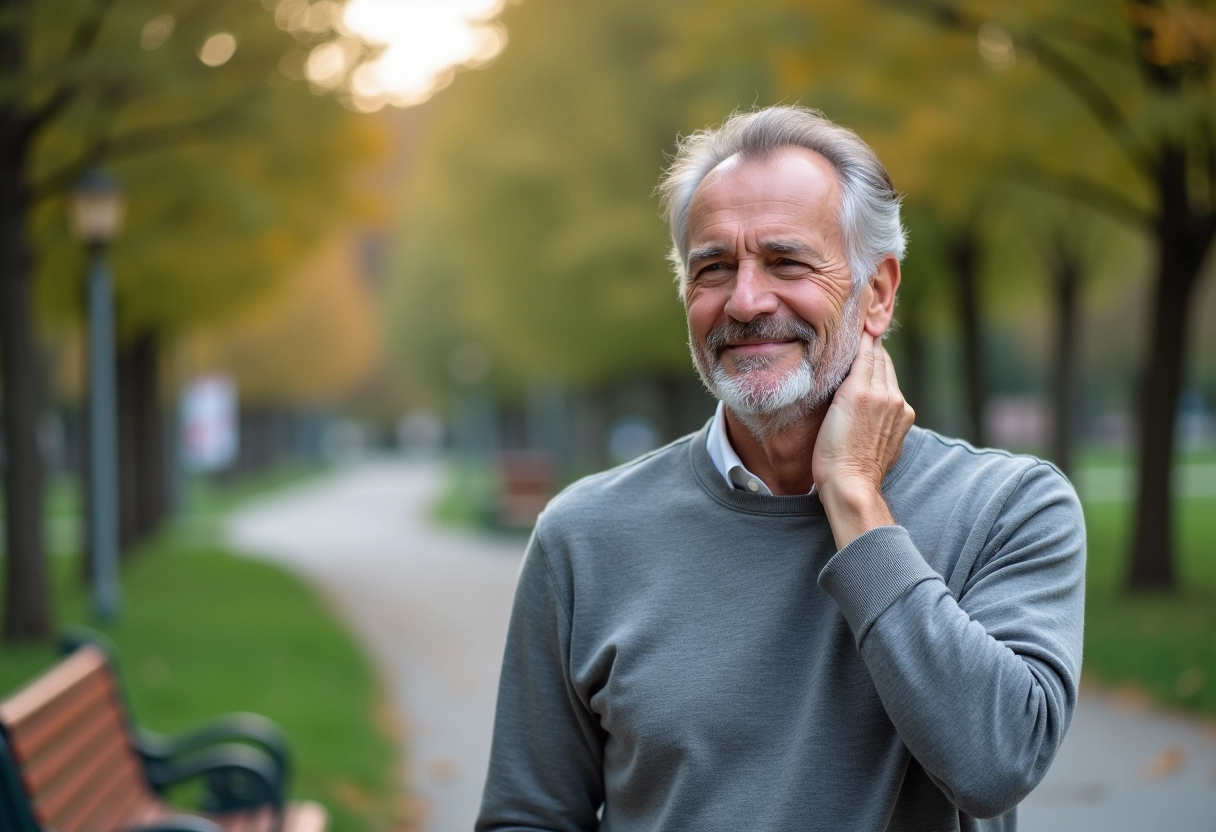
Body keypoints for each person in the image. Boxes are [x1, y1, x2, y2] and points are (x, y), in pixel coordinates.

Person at [476, 106, 1085, 831]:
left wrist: (855, 499)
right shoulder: (583, 535)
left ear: (879, 293)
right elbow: (528, 817)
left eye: (787, 261)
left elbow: (997, 764)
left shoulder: (1010, 508)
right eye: (714, 268)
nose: (745, 300)